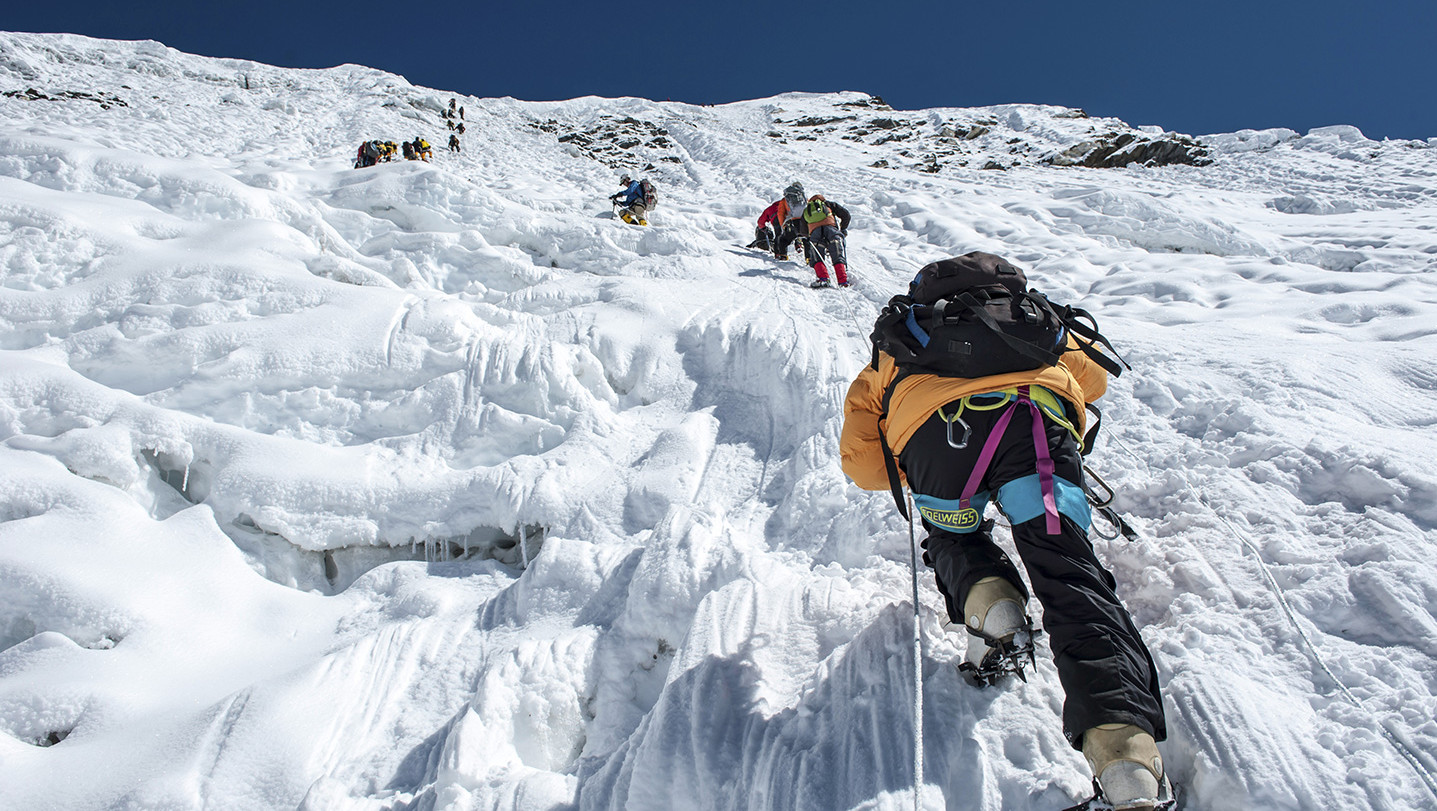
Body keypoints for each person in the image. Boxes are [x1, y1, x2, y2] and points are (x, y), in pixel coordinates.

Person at [839, 252, 1171, 810]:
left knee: (955, 537)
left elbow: (866, 467)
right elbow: (1092, 383)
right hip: (1035, 428)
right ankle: (1127, 764)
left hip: (938, 441)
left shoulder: (901, 339)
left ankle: (991, 606)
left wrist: (911, 462)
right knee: (1068, 570)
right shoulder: (1031, 318)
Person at [798, 194, 852, 288]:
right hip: (832, 231)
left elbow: (802, 230)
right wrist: (842, 229)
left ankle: (823, 279)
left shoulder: (807, 210)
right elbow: (846, 215)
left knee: (817, 257)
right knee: (837, 255)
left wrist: (810, 234)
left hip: (815, 233)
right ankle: (843, 281)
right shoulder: (829, 204)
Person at [771, 182, 812, 263]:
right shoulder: (804, 198)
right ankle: (809, 258)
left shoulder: (785, 199)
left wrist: (783, 225)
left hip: (793, 222)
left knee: (784, 239)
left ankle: (783, 255)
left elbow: (781, 213)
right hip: (804, 222)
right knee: (807, 240)